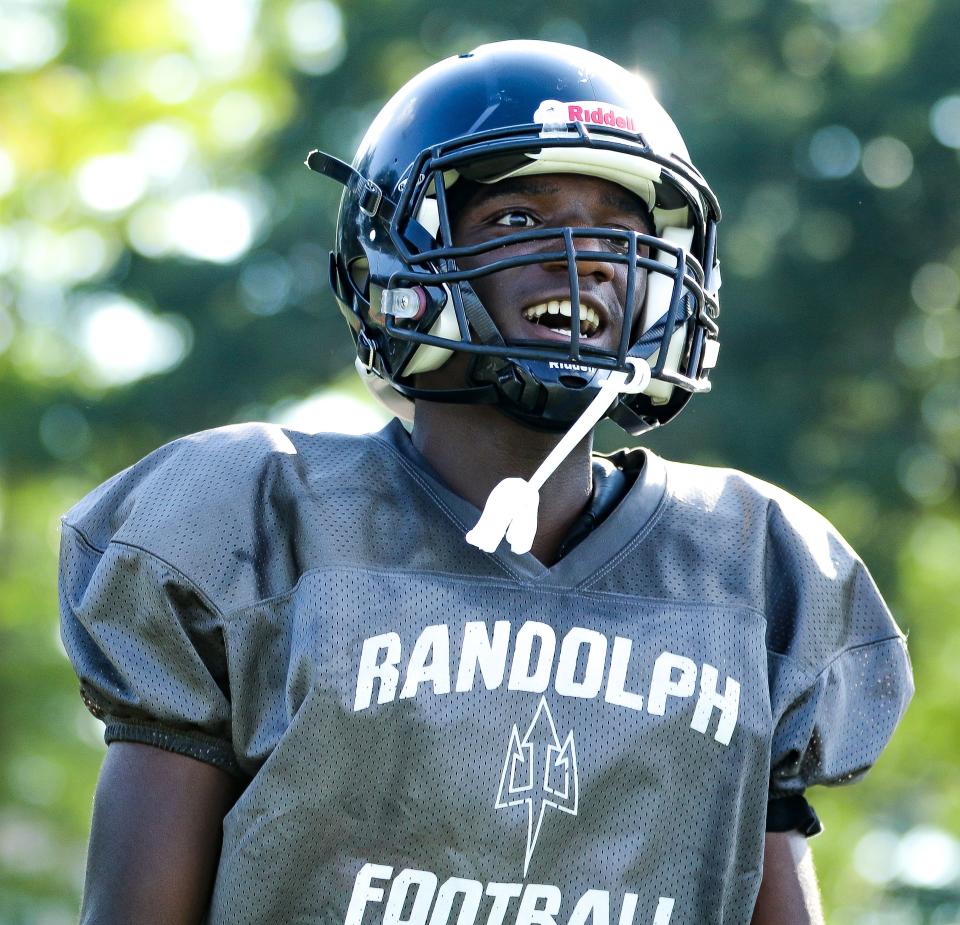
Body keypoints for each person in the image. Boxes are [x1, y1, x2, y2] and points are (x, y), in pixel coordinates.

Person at [59, 40, 912, 925]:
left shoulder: (755, 567)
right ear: (399, 254)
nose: (591, 258)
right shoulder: (251, 522)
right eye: (517, 218)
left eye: (624, 230)